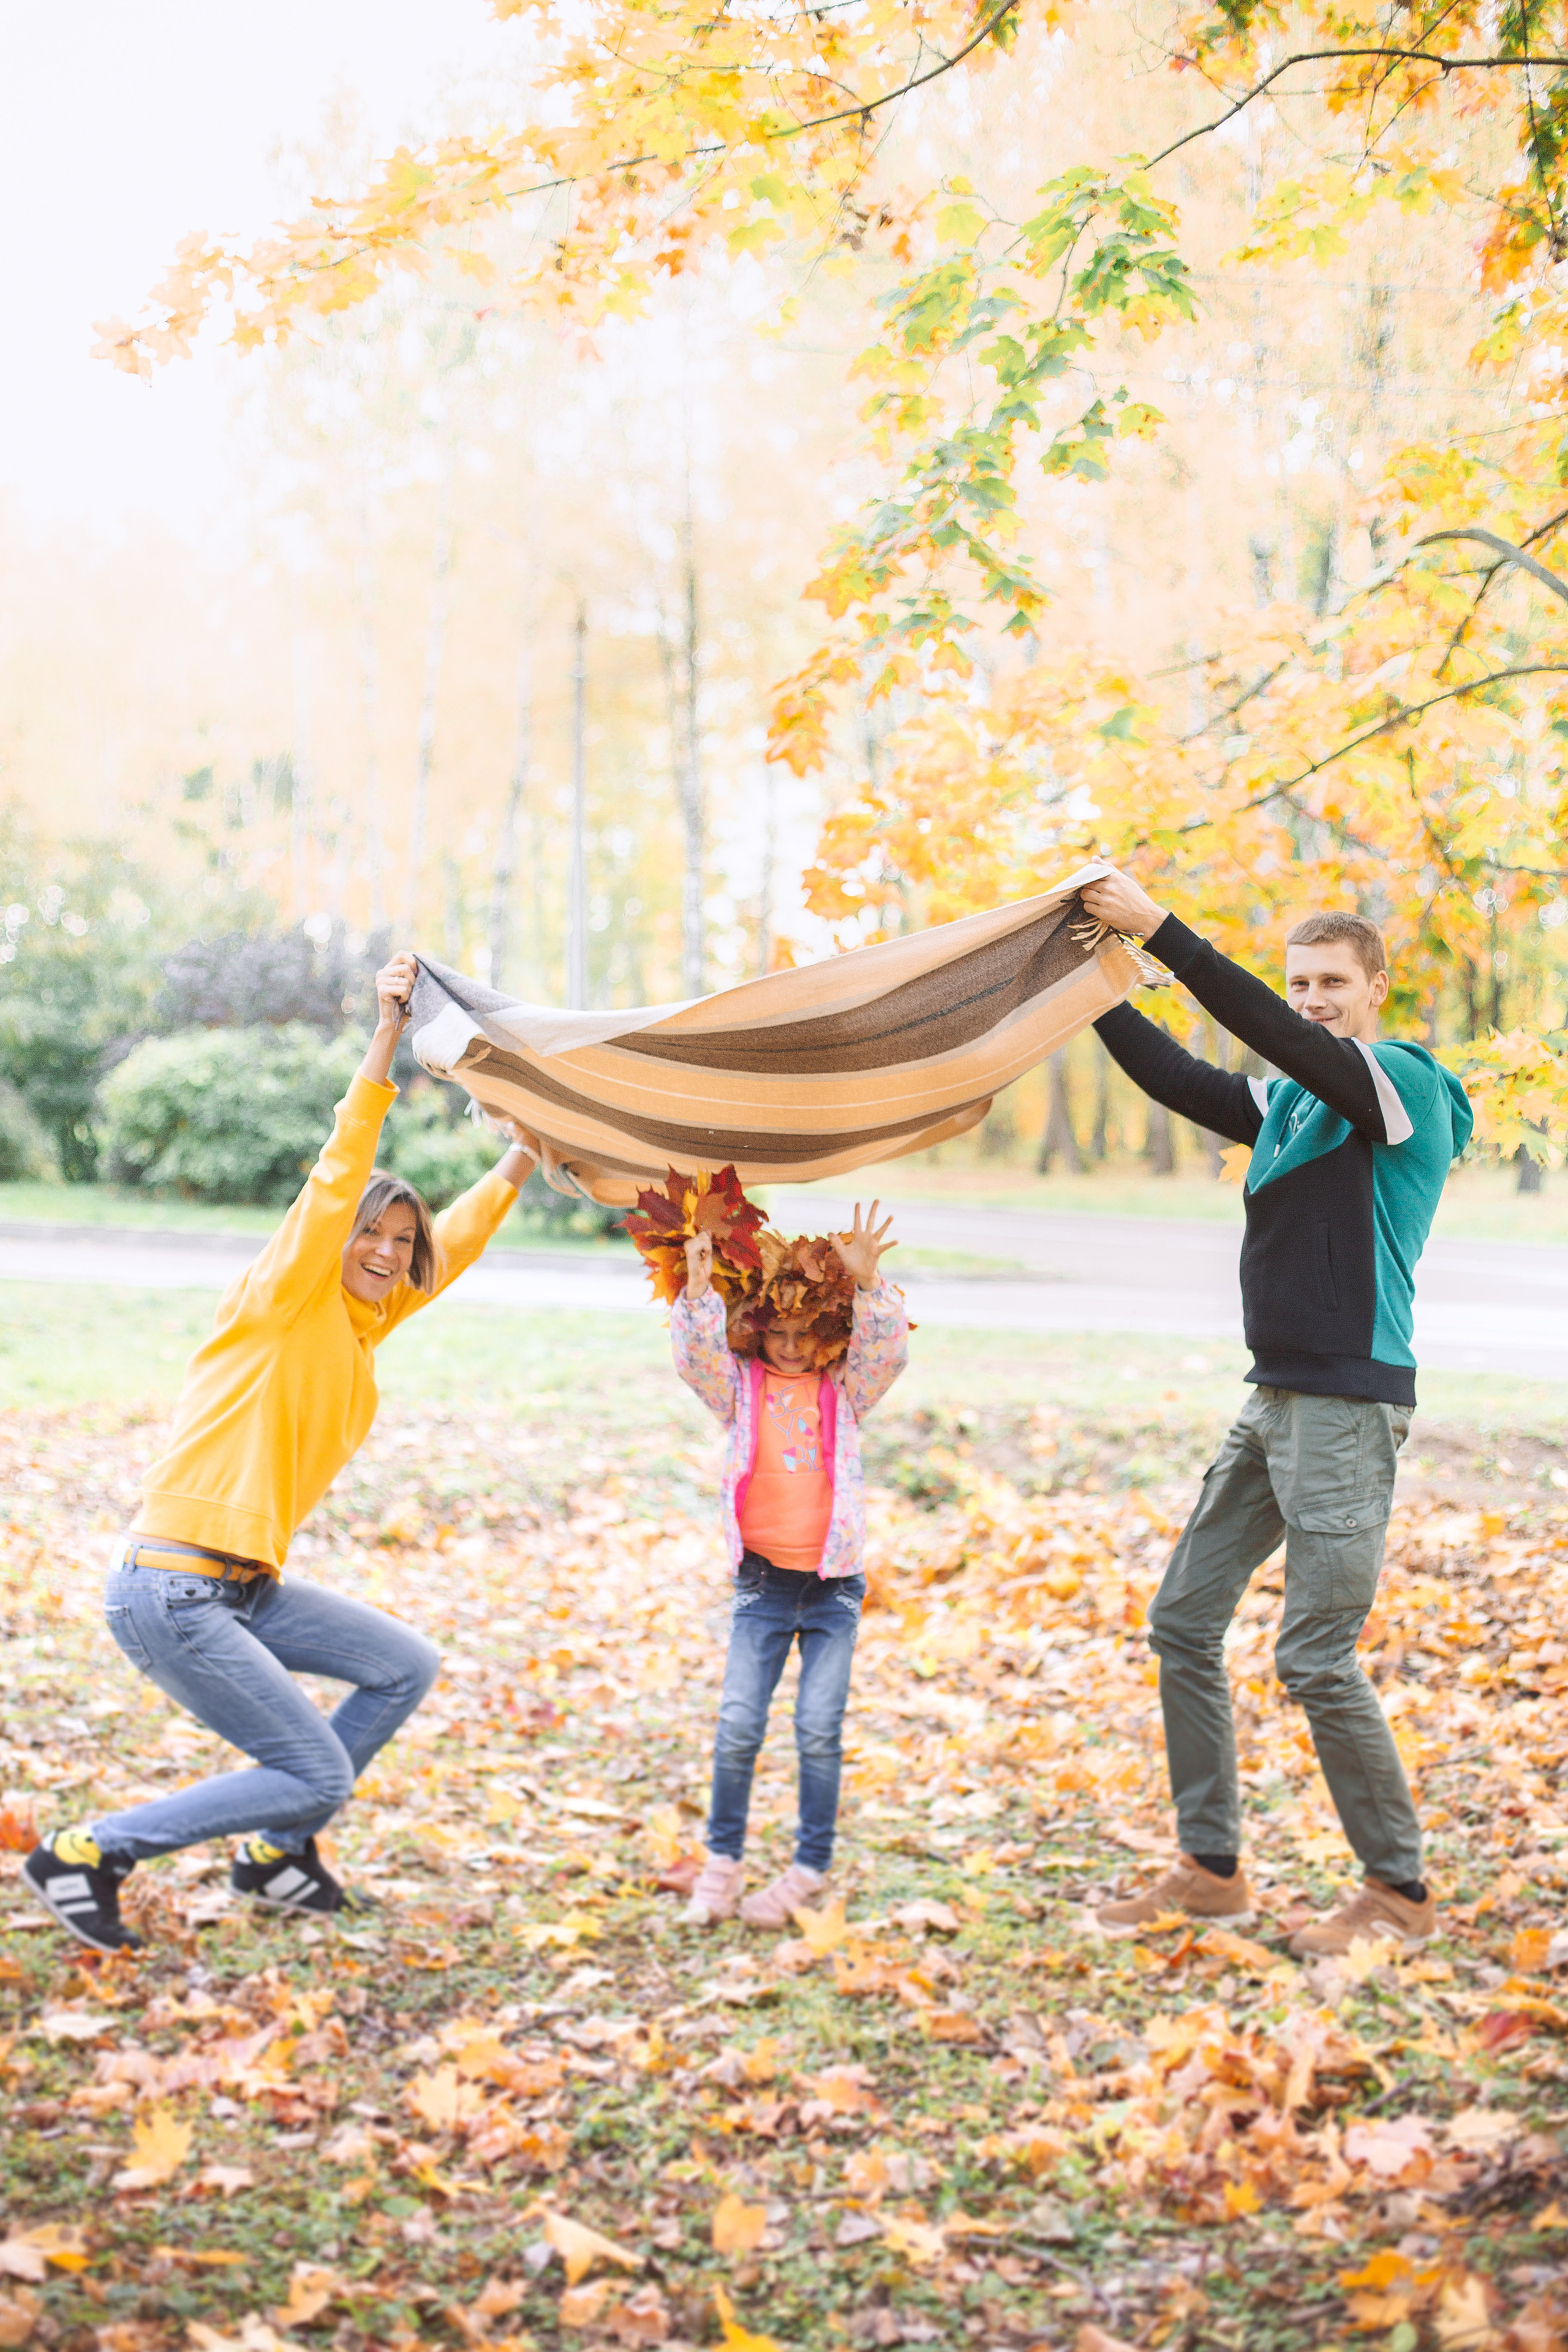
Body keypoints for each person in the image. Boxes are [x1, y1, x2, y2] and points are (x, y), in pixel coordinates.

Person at [24, 951, 538, 1954]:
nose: (388, 1252)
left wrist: (522, 1156)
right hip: (169, 1588)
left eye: (402, 1240)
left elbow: (456, 1243)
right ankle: (90, 1852)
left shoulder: (358, 1325)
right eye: (370, 1236)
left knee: (401, 1667)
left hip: (240, 1587)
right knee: (315, 1770)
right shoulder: (284, 1298)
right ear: (333, 1239)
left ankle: (274, 1858)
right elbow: (343, 1160)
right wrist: (387, 1035)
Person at [1077, 873, 1472, 1958]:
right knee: (1183, 1620)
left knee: (1316, 1657)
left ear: (1377, 990)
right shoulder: (1294, 1102)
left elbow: (1269, 1035)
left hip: (1349, 1404)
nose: (1311, 1000)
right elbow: (1182, 1074)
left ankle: (1397, 1891)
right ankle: (1211, 1873)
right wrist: (1090, 988)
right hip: (1274, 1396)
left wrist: (1162, 932)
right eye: (1300, 983)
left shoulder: (1400, 1085)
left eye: (1332, 982)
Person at [666, 1198, 907, 1928]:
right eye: (781, 1332)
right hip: (763, 1586)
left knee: (816, 1730)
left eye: (809, 1332)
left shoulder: (845, 1391)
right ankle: (722, 1863)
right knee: (739, 1724)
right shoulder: (740, 1390)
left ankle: (808, 1868)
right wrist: (701, 1293)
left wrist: (869, 1288)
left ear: (826, 1334)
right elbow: (695, 1359)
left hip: (831, 1590)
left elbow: (885, 1353)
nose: (795, 1347)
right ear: (758, 1329)